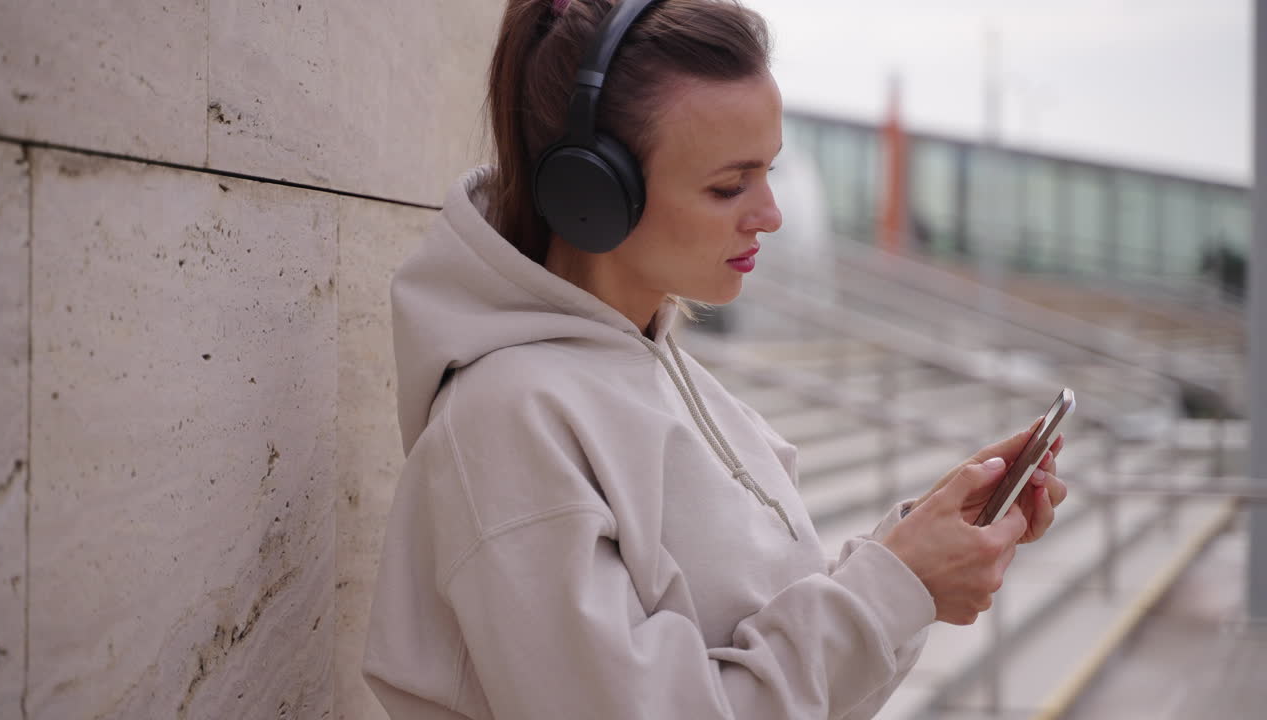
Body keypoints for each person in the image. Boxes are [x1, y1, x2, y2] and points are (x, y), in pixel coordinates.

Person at [362, 1, 1069, 718]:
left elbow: (780, 679)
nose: (771, 213)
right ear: (593, 194)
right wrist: (893, 592)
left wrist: (913, 556)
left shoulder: (672, 375)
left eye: (769, 172)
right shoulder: (507, 423)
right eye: (729, 185)